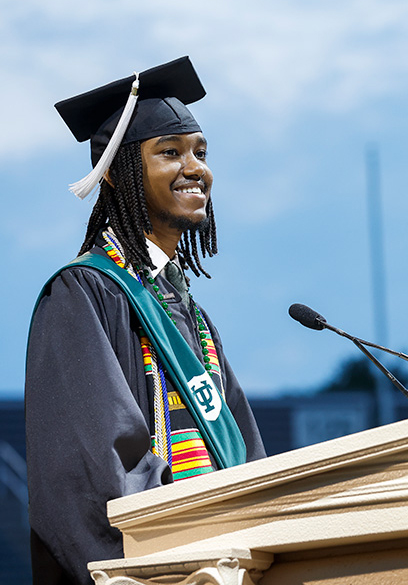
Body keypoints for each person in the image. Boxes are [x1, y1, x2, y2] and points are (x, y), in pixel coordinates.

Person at [25, 57, 266, 585]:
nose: (195, 167)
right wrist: (185, 552)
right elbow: (92, 469)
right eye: (170, 152)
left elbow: (244, 454)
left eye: (201, 153)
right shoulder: (83, 293)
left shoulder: (189, 313)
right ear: (115, 172)